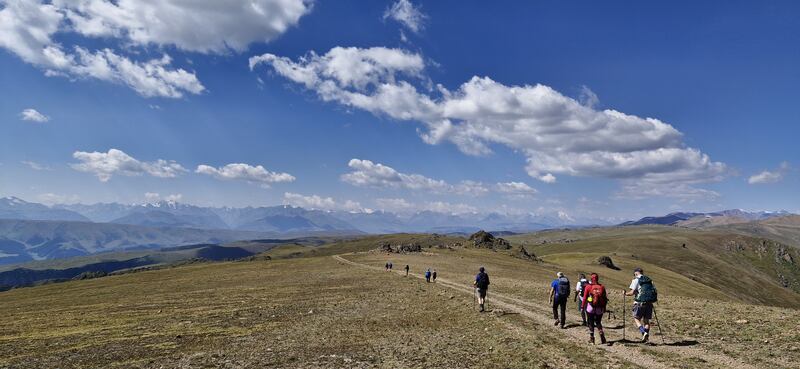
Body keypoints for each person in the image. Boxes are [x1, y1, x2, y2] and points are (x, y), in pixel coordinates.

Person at [624, 267, 657, 342]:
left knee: (636, 318)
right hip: (649, 303)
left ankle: (643, 332)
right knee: (646, 321)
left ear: (636, 273)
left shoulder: (635, 280)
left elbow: (632, 292)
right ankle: (646, 338)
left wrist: (625, 293)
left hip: (639, 303)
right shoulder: (649, 280)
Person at [582, 273, 608, 345]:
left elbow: (584, 297)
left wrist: (582, 306)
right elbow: (605, 299)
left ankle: (592, 339)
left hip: (590, 307)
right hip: (599, 308)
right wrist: (604, 308)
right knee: (598, 322)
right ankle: (602, 337)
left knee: (591, 322)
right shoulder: (602, 287)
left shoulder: (588, 287)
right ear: (597, 278)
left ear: (591, 279)